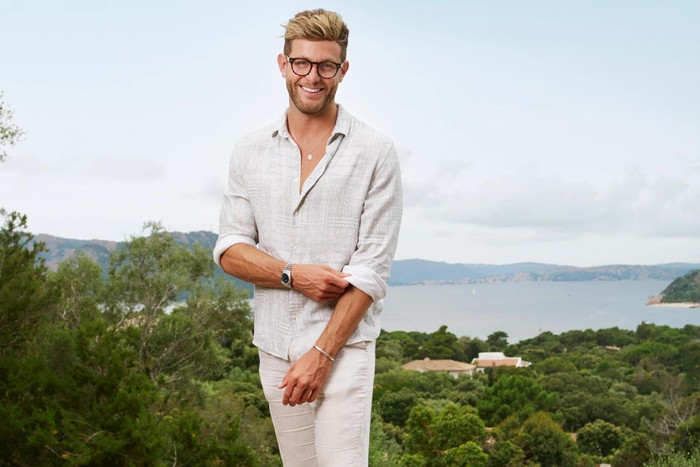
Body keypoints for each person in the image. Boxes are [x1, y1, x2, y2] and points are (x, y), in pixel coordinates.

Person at [213, 8, 402, 466]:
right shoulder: (249, 150)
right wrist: (292, 275)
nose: (312, 77)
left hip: (344, 348)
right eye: (302, 63)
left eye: (325, 66)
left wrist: (322, 353)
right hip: (275, 348)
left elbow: (371, 271)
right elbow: (230, 250)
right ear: (284, 64)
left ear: (343, 70)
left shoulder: (375, 152)